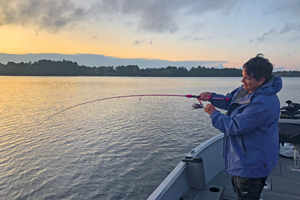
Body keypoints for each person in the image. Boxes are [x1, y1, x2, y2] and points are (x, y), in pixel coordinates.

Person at [198, 54, 282, 200]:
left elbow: (235, 126)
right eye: (242, 76)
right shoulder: (248, 89)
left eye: (247, 78)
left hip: (253, 162)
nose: (242, 80)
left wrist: (214, 114)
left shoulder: (263, 103)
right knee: (241, 191)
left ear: (261, 80)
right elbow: (230, 100)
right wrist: (212, 96)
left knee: (247, 196)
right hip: (245, 157)